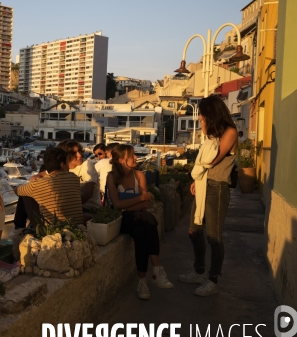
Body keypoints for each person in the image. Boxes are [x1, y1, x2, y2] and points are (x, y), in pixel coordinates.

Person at [179, 95, 238, 296]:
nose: (200, 118)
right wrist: (197, 181)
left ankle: (212, 279)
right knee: (193, 231)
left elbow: (212, 160)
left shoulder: (230, 132)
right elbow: (205, 163)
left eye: (202, 115)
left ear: (211, 114)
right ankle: (198, 270)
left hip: (218, 188)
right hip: (205, 186)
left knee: (214, 237)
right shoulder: (212, 136)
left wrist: (204, 128)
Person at [106, 144, 173, 300]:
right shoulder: (112, 177)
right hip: (122, 220)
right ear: (122, 160)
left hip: (137, 219)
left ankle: (142, 282)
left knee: (141, 233)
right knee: (149, 219)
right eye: (132, 155)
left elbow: (144, 204)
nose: (136, 157)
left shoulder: (139, 176)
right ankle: (157, 270)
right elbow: (116, 205)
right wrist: (140, 198)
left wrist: (130, 204)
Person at [13, 147, 83, 227]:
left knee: (24, 196)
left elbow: (17, 190)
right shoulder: (75, 178)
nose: (69, 166)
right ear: (62, 165)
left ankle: (19, 229)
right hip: (76, 226)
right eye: (67, 162)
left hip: (52, 229)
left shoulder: (39, 184)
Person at [58, 140, 101, 211]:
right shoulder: (61, 167)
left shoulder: (87, 165)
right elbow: (40, 176)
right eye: (74, 153)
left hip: (89, 208)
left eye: (79, 151)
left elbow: (88, 193)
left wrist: (70, 209)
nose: (79, 155)